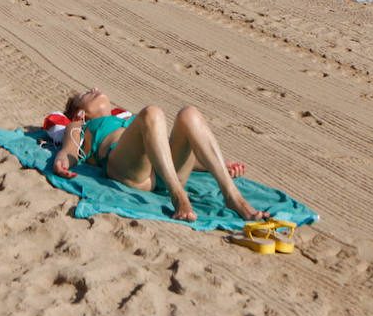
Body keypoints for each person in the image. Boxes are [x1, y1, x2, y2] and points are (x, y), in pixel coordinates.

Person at [52, 88, 268, 223]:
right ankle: (178, 196)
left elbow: (162, 151)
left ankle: (233, 196)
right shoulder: (80, 124)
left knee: (189, 114)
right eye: (86, 94)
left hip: (163, 170)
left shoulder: (129, 118)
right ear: (81, 112)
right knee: (152, 112)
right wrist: (62, 162)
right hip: (127, 168)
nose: (95, 89)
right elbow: (70, 150)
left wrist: (214, 164)